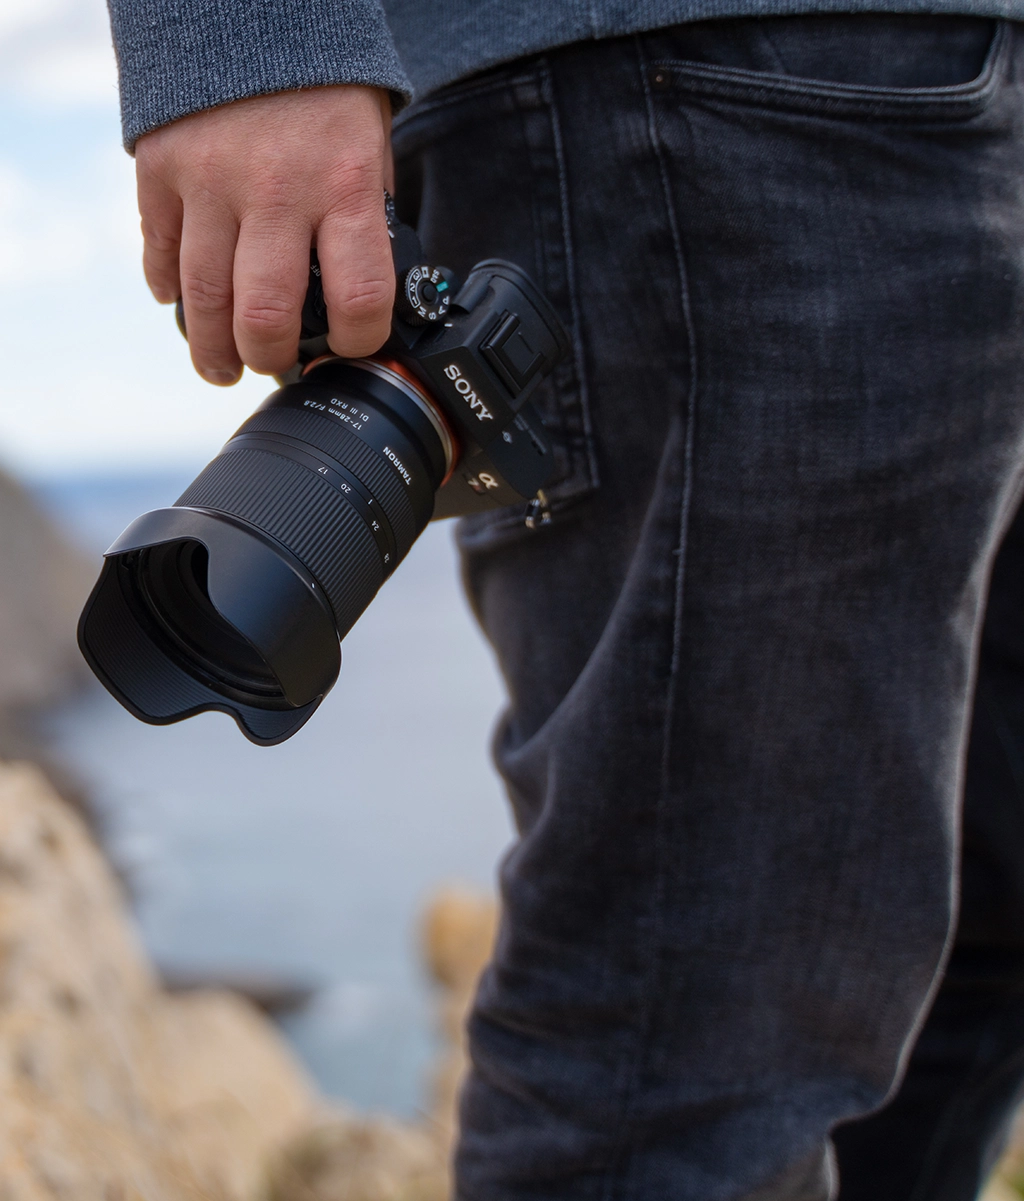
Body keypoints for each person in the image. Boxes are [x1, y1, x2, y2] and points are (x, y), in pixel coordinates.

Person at [101, 2, 1024, 1198]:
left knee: (975, 909)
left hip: (953, 98)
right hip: (697, 93)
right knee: (680, 1053)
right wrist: (245, 43)